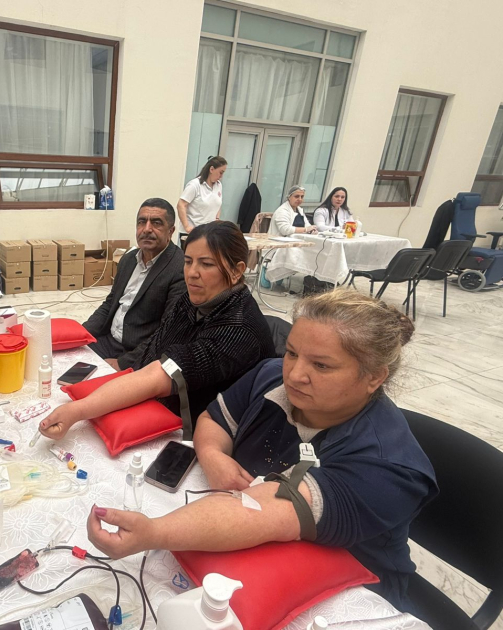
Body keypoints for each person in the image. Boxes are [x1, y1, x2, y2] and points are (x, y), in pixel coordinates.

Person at [86, 290, 437, 614]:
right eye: (292, 353)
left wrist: (154, 532)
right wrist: (213, 456)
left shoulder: (386, 465)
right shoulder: (271, 376)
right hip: (260, 552)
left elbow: (269, 509)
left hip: (347, 594)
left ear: (374, 377)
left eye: (321, 366)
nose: (295, 375)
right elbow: (213, 420)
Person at [40, 221, 276, 440]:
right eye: (188, 261)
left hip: (203, 430)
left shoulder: (239, 329)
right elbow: (160, 340)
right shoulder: (193, 298)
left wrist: (77, 411)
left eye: (206, 264)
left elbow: (161, 375)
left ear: (236, 271)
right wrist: (124, 367)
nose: (192, 273)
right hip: (166, 399)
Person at [83, 198, 185, 370]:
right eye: (141, 222)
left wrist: (123, 363)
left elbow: (167, 332)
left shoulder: (179, 268)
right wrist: (82, 334)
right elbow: (110, 304)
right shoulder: (129, 259)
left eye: (156, 223)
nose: (147, 229)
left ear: (171, 231)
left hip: (139, 353)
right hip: (109, 341)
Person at [177, 156, 227, 243]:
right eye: (220, 172)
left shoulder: (219, 185)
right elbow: (181, 204)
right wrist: (186, 226)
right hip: (192, 232)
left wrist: (217, 219)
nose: (221, 176)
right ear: (211, 169)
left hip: (208, 232)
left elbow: (218, 203)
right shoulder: (195, 185)